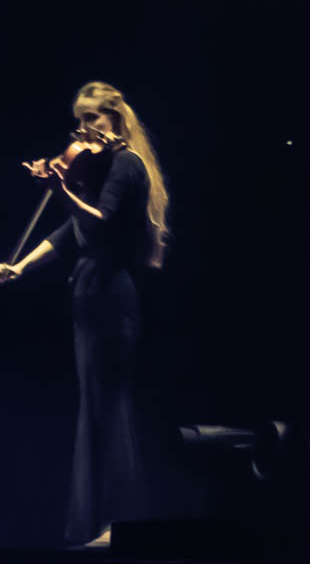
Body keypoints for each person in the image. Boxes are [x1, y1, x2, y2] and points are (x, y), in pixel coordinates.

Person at [0, 82, 170, 544]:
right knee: (93, 409)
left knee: (108, 407)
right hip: (91, 290)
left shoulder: (127, 164)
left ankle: (120, 523)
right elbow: (71, 233)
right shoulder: (100, 167)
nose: (82, 128)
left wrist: (61, 189)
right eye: (79, 119)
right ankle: (97, 522)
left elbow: (100, 219)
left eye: (92, 117)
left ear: (115, 117)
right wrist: (21, 266)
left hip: (111, 294)